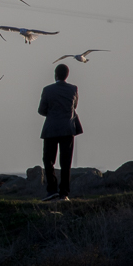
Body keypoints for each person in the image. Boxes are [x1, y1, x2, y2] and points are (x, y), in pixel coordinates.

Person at [38, 63, 82, 201]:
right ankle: (64, 193)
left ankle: (52, 190)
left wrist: (52, 114)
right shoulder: (73, 89)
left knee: (48, 160)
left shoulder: (47, 90)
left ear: (55, 74)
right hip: (68, 129)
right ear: (67, 75)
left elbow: (41, 110)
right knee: (66, 162)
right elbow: (74, 106)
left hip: (51, 129)